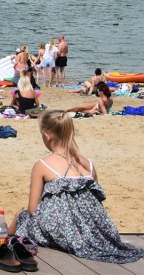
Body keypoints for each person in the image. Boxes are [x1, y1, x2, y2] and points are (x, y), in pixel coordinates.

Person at [10, 110, 143, 263]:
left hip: (66, 231)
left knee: (22, 216)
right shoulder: (89, 164)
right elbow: (96, 201)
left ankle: (0, 242)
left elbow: (34, 210)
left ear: (47, 135)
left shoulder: (42, 165)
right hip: (95, 229)